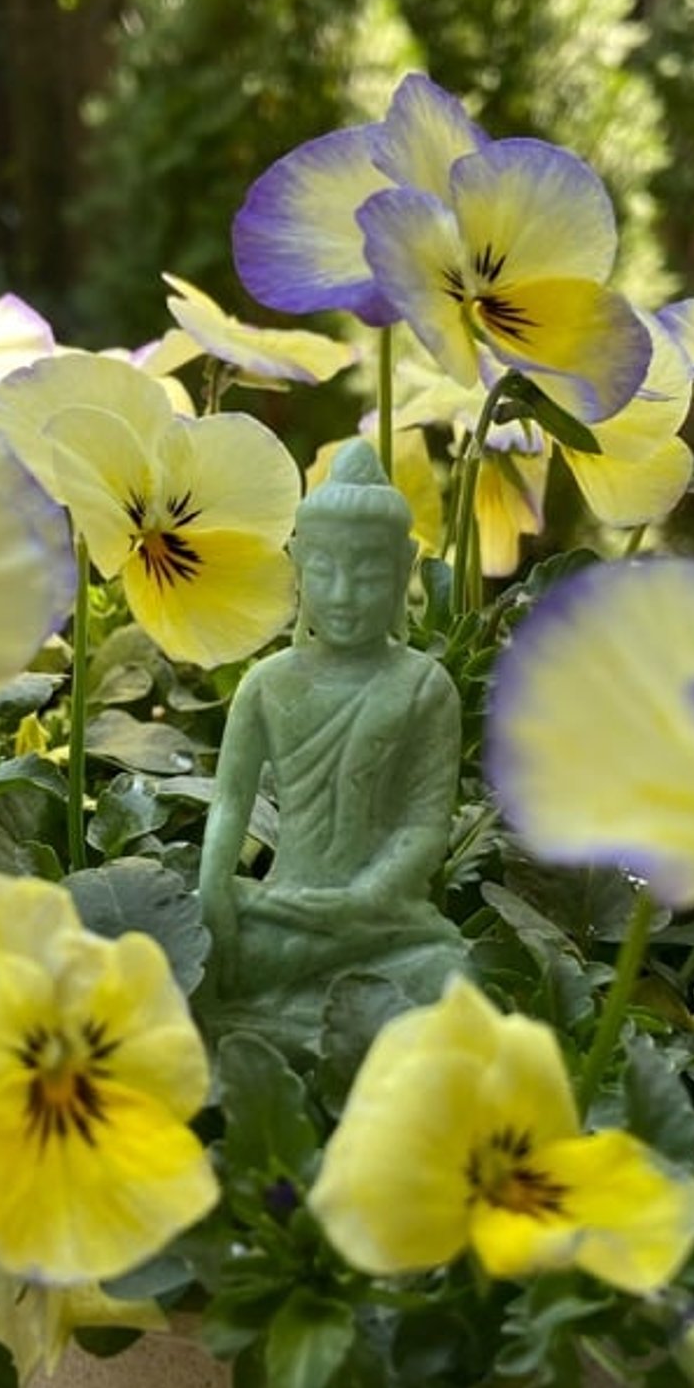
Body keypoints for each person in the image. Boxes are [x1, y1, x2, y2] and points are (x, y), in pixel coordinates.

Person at [198, 439, 468, 1056]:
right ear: (298, 565)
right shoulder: (268, 683)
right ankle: (319, 1014)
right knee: (202, 951)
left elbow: (425, 827)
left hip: (382, 920)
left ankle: (293, 1016)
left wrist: (362, 899)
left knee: (451, 972)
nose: (344, 593)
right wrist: (214, 891)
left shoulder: (425, 687)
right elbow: (228, 806)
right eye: (325, 570)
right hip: (282, 907)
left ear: (404, 570)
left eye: (370, 573)